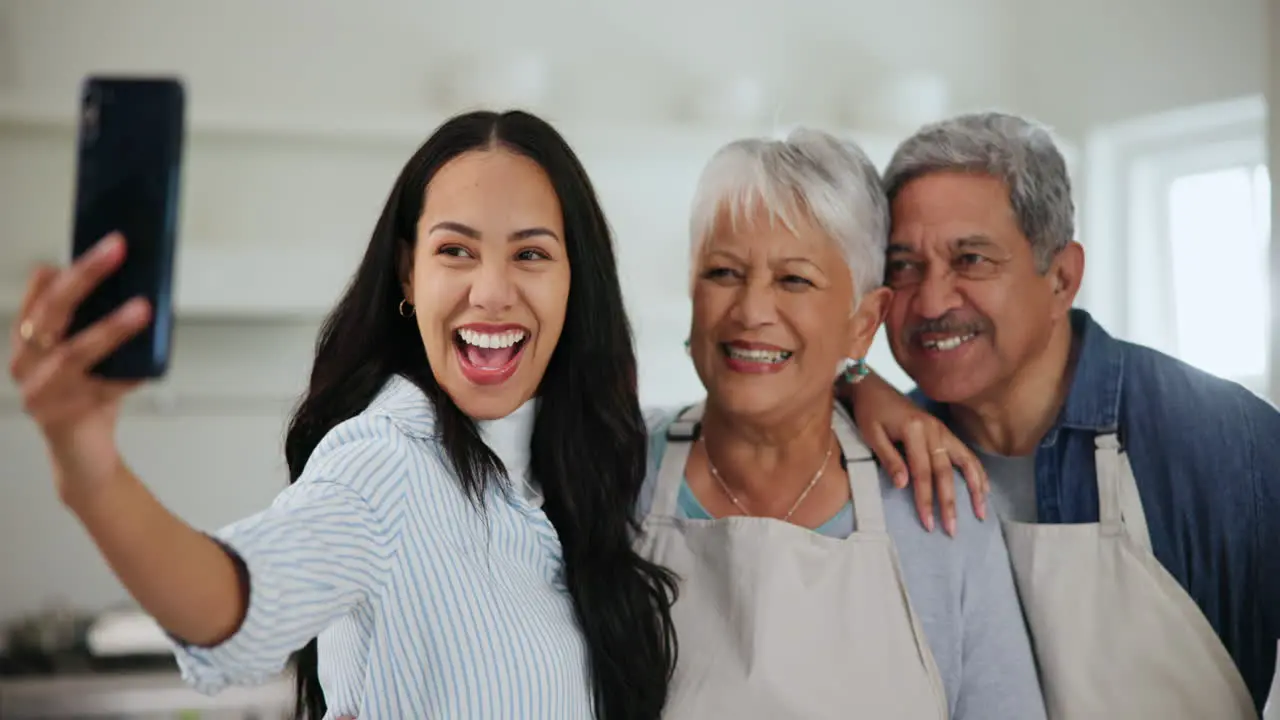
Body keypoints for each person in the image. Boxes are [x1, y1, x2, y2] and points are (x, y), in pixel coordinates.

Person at [7, 110, 680, 719]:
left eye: (531, 254)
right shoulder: (385, 465)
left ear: (574, 283)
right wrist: (90, 473)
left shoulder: (583, 470)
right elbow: (235, 600)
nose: (492, 291)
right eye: (456, 251)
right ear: (409, 276)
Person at [848, 111, 1280, 718]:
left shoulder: (1229, 445)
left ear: (1062, 278)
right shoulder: (877, 470)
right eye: (903, 267)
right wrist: (849, 384)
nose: (932, 300)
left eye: (971, 259)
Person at [634, 127, 1046, 719]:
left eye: (794, 280)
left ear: (864, 320)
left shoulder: (935, 513)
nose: (751, 311)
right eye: (722, 272)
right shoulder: (612, 472)